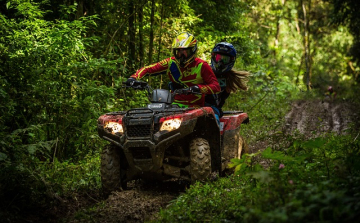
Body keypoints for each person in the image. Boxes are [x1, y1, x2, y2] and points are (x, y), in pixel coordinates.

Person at [125, 32, 220, 108]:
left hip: (195, 107)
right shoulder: (171, 63)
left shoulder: (201, 65)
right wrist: (133, 78)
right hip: (172, 105)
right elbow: (148, 69)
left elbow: (216, 87)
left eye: (184, 51)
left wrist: (198, 88)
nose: (181, 55)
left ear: (192, 50)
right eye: (178, 52)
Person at [205, 42, 249, 122]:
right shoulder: (204, 71)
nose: (220, 62)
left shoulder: (229, 78)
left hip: (212, 110)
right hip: (196, 106)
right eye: (218, 58)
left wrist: (217, 108)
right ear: (213, 56)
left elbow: (221, 100)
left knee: (214, 120)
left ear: (231, 60)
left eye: (224, 59)